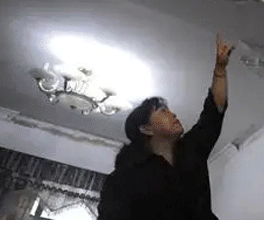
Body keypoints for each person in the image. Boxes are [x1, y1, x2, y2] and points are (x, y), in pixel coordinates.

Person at [97, 34, 233, 219]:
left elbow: (215, 110)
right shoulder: (124, 179)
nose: (173, 114)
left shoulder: (192, 150)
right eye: (162, 111)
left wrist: (220, 69)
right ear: (146, 128)